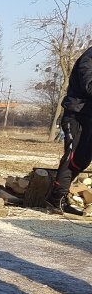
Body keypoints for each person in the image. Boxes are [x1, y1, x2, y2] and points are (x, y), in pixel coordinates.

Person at [46, 45, 92, 216]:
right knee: (72, 156)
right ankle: (56, 198)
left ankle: (58, 195)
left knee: (84, 159)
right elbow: (89, 85)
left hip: (88, 117)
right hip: (76, 115)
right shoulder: (89, 59)